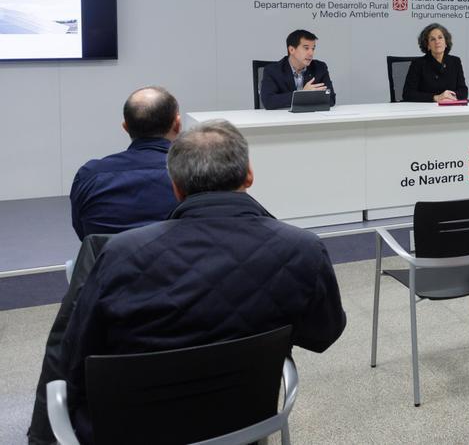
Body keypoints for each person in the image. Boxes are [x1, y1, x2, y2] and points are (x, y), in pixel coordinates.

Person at [58, 120, 347, 443]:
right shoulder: (303, 248)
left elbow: (76, 354)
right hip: (246, 425)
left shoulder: (120, 254)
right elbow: (324, 334)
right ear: (249, 176)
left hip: (133, 429)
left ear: (176, 187)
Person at [69, 86, 181, 239]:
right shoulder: (190, 176)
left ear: (126, 127)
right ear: (177, 124)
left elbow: (85, 237)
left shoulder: (90, 176)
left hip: (109, 262)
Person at [260, 29, 335, 109]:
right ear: (291, 50)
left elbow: (331, 99)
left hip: (311, 117)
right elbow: (268, 101)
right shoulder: (273, 71)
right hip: (284, 118)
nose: (311, 53)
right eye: (306, 48)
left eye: (313, 49)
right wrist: (302, 94)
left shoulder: (320, 68)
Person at [403, 22, 468, 102]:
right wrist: (436, 97)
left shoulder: (455, 61)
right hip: (426, 110)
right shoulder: (418, 64)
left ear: (446, 43)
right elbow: (408, 94)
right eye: (433, 39)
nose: (437, 41)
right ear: (428, 45)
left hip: (450, 107)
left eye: (440, 37)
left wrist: (448, 97)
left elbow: (463, 91)